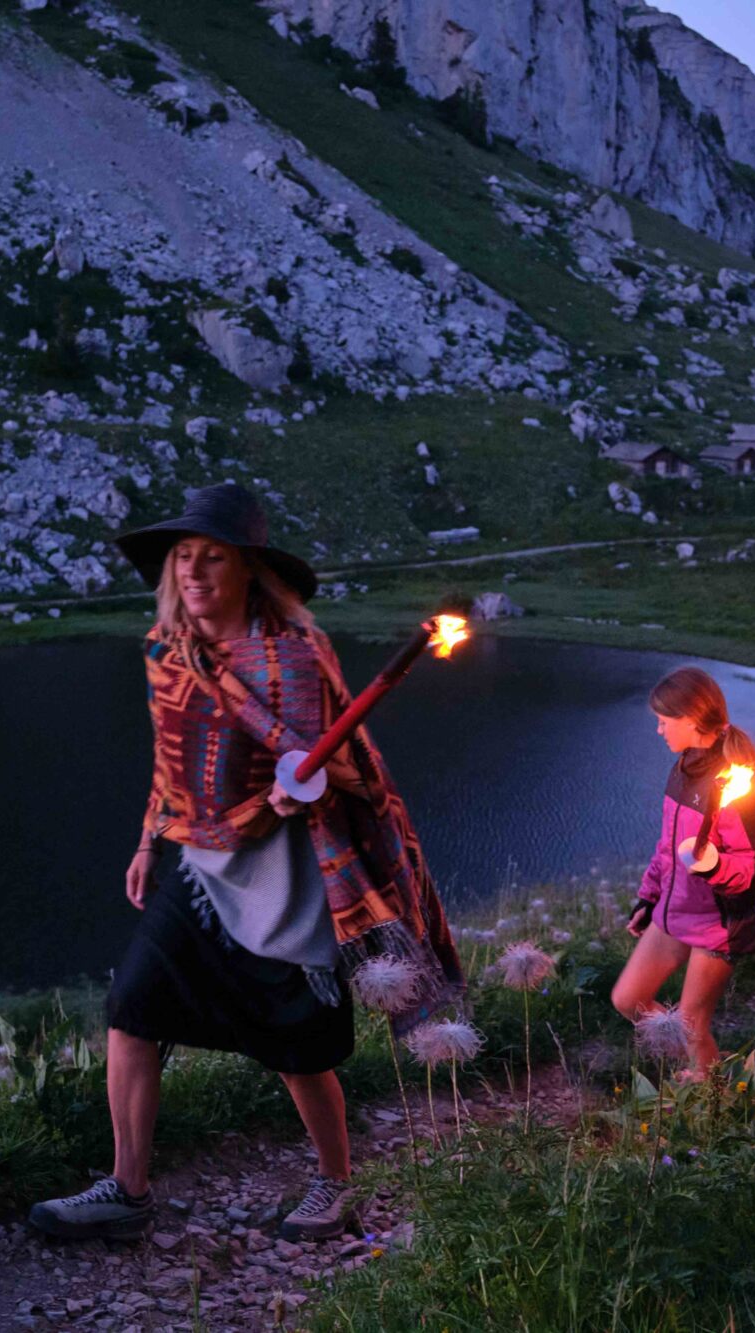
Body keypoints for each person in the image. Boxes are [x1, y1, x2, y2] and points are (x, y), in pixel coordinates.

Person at [28, 483, 462, 1244]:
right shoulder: (168, 654)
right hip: (200, 870)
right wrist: (146, 839)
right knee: (130, 1012)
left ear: (248, 571)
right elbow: (170, 763)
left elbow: (348, 762)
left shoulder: (292, 656)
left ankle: (335, 1183)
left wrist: (305, 787)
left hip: (285, 877)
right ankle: (128, 1191)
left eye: (213, 558)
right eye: (183, 558)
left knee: (298, 1047)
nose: (193, 572)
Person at [612, 667, 755, 1078]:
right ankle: (696, 1072)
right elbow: (667, 845)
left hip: (718, 922)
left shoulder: (734, 780)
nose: (659, 730)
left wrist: (715, 866)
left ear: (692, 719)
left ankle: (710, 1103)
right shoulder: (683, 767)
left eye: (664, 721)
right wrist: (649, 898)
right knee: (629, 999)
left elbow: (751, 872)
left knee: (692, 1025)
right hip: (673, 910)